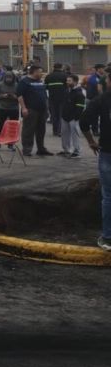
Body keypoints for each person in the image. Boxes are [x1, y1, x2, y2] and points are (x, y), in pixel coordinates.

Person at [79, 82, 111, 251]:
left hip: (108, 152)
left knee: (109, 196)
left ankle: (108, 238)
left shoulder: (101, 100)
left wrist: (91, 142)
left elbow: (84, 122)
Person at [17, 64, 53, 156]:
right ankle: (27, 149)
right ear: (35, 72)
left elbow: (45, 96)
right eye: (40, 72)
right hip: (31, 110)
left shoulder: (40, 81)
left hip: (42, 110)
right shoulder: (24, 82)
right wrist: (24, 108)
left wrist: (47, 108)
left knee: (41, 130)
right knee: (28, 130)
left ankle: (41, 149)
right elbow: (19, 96)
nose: (42, 74)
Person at [59, 74, 86, 158]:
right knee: (64, 134)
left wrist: (75, 118)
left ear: (75, 81)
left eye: (69, 81)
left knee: (75, 134)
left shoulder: (79, 93)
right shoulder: (67, 90)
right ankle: (66, 150)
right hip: (65, 117)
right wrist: (63, 115)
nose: (67, 82)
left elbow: (80, 107)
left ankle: (77, 152)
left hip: (74, 118)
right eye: (67, 80)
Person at [0, 70, 20, 137]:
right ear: (4, 77)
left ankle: (11, 143)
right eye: (7, 77)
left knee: (13, 126)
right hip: (2, 108)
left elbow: (22, 97)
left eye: (10, 77)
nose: (8, 79)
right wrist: (2, 96)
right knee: (0, 125)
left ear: (13, 77)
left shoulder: (17, 85)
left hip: (14, 108)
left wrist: (15, 97)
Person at [45, 62, 68, 137]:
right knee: (60, 114)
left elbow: (46, 87)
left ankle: (55, 131)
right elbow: (67, 87)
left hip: (52, 98)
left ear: (54, 67)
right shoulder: (65, 76)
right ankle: (59, 131)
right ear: (61, 67)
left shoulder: (48, 76)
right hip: (62, 98)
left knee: (54, 115)